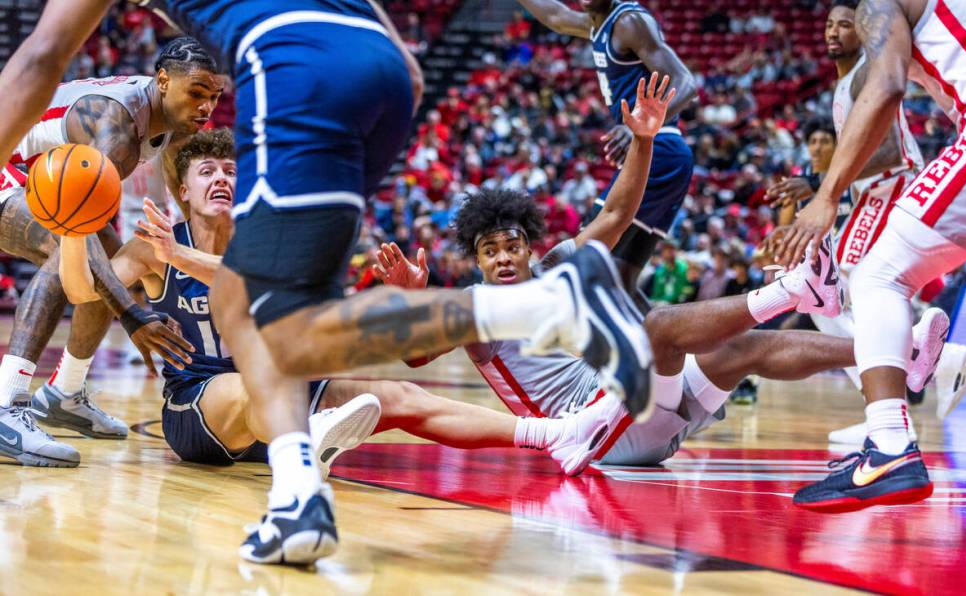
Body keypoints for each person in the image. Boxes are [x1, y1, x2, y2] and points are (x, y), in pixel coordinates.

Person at [0, 0, 654, 564]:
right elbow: (411, 67)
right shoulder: (142, 202)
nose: (218, 170)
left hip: (294, 69)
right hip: (386, 76)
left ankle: (541, 304)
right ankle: (297, 496)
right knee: (262, 313)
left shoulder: (160, 143)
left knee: (266, 317)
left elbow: (39, 58)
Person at [56, 129, 619, 482]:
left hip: (285, 398)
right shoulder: (151, 248)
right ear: (183, 189)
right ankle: (308, 434)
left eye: (232, 171)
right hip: (201, 412)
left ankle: (554, 434)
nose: (222, 179)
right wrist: (73, 230)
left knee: (399, 394)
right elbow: (82, 294)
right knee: (258, 389)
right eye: (208, 171)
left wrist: (403, 296)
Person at [375, 179, 948, 471]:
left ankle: (895, 351)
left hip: (632, 416)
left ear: (530, 248)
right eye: (490, 251)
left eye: (512, 246)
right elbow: (417, 359)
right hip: (590, 436)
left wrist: (645, 138)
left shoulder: (554, 267)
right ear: (476, 261)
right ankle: (795, 289)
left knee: (748, 347)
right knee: (660, 329)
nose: (503, 259)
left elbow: (618, 213)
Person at [772, 0, 966, 512]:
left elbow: (888, 87)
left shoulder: (880, 5)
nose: (837, 26)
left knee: (875, 278)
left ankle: (888, 442)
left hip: (902, 175)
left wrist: (824, 195)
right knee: (850, 286)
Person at [0, 37, 224, 468]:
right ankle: (6, 401)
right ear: (162, 81)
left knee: (113, 264)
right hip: (9, 163)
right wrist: (133, 315)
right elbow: (75, 226)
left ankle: (65, 392)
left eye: (214, 97)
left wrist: (201, 270)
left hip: (41, 176)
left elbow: (188, 208)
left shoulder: (176, 122)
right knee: (66, 247)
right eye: (197, 93)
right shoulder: (116, 127)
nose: (206, 107)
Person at [512, 0, 698, 310]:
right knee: (621, 282)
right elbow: (557, 16)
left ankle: (520, 314)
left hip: (659, 148)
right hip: (664, 154)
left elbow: (686, 84)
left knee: (589, 247)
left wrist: (639, 125)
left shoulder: (629, 22)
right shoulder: (597, 22)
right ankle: (679, 349)